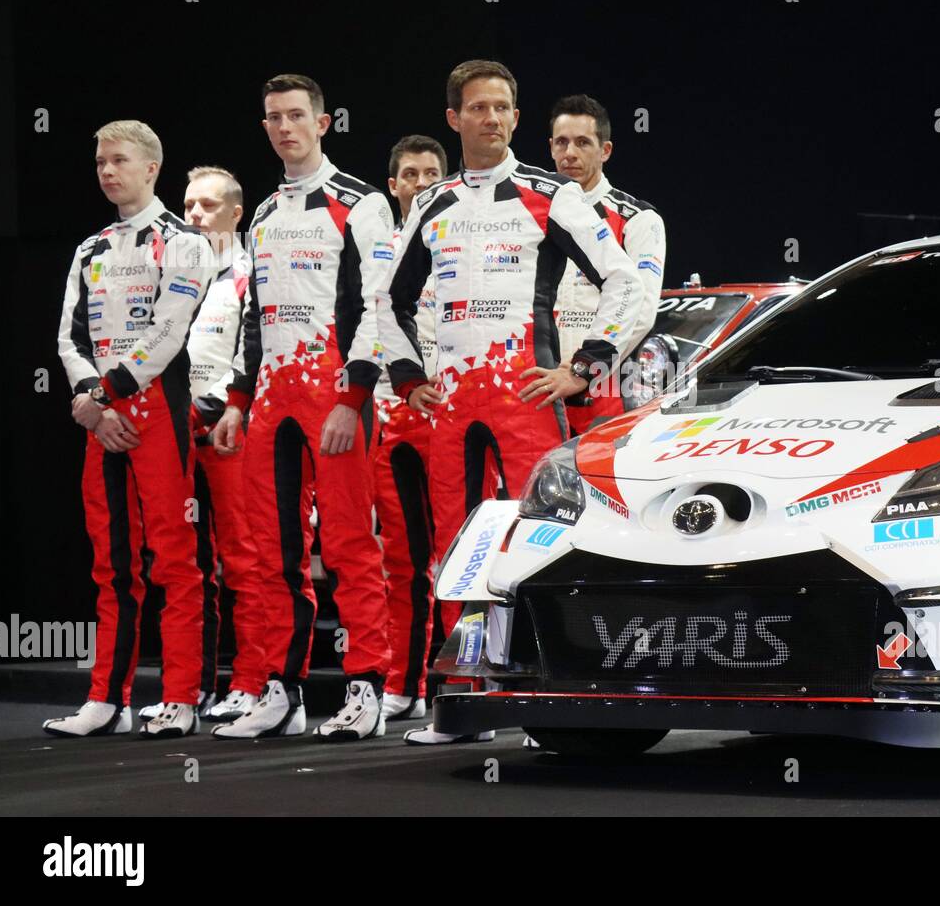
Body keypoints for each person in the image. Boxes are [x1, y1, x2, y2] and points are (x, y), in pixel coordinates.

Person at [377, 59, 644, 744]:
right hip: (452, 409)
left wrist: (585, 367)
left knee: (543, 543)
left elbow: (625, 282)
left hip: (528, 399)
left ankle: (542, 701)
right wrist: (410, 379)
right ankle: (463, 704)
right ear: (454, 118)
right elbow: (388, 301)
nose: (490, 118)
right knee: (454, 548)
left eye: (501, 107)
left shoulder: (550, 194)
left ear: (516, 118)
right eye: (477, 108)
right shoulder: (432, 204)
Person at [210, 74, 395, 741]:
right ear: (265, 128)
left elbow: (378, 304)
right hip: (270, 401)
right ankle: (281, 691)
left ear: (323, 123)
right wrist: (236, 400)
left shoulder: (362, 203)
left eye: (296, 116)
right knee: (272, 551)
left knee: (349, 542)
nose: (284, 127)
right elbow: (253, 317)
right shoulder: (261, 213)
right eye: (273, 118)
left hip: (335, 395)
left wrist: (353, 396)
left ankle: (366, 688)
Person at [48, 120, 214, 739]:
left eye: (118, 161)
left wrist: (103, 394)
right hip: (104, 420)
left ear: (151, 168)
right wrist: (93, 403)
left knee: (176, 559)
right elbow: (69, 337)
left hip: (160, 413)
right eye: (99, 163)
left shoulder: (186, 242)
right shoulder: (88, 249)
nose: (107, 172)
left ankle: (180, 696)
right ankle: (106, 699)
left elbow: (169, 334)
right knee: (112, 565)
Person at [138, 166, 266, 724]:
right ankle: (190, 689)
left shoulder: (251, 271)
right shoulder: (167, 271)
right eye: (188, 205)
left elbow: (255, 350)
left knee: (245, 559)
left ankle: (252, 682)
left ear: (236, 213)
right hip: (172, 431)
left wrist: (211, 409)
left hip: (229, 432)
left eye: (208, 205)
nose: (194, 215)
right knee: (184, 563)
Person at [372, 135, 449, 721]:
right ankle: (405, 683)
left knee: (457, 555)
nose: (420, 183)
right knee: (402, 559)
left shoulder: (461, 240)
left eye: (430, 174)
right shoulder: (373, 245)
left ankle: (460, 685)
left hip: (450, 417)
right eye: (410, 175)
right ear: (394, 184)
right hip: (389, 420)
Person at [550, 94, 666, 434]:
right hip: (545, 385)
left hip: (605, 390)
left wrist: (583, 370)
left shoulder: (639, 219)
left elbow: (642, 311)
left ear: (605, 151)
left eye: (583, 143)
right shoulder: (537, 215)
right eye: (561, 142)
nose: (569, 153)